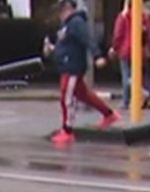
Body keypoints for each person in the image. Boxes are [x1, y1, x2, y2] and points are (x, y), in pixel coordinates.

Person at [45, 0, 119, 145]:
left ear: (68, 8)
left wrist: (97, 56)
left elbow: (87, 40)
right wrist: (53, 50)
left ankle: (67, 130)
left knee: (67, 97)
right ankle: (109, 114)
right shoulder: (67, 25)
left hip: (72, 66)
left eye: (61, 10)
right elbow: (65, 45)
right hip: (67, 64)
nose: (60, 14)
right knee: (83, 94)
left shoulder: (76, 23)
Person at [109, 0, 150, 109]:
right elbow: (149, 35)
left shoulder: (123, 17)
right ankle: (137, 98)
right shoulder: (143, 17)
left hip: (125, 50)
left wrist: (114, 48)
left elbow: (118, 34)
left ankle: (129, 99)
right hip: (139, 51)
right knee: (137, 75)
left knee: (127, 76)